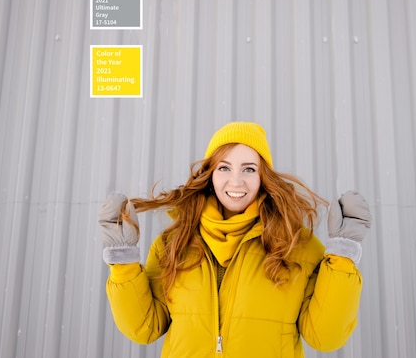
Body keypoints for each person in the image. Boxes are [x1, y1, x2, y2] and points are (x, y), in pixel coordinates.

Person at [98, 121, 372, 357]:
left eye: (249, 169)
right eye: (224, 168)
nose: (236, 182)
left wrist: (343, 255)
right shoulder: (174, 244)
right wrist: (123, 261)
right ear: (209, 174)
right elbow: (145, 327)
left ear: (264, 177)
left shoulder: (296, 246)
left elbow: (325, 337)